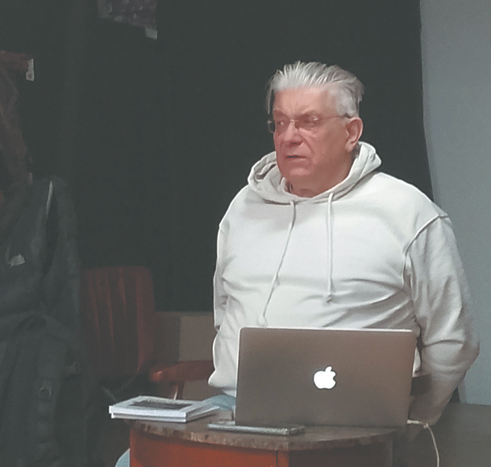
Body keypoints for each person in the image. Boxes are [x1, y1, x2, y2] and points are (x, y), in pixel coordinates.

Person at [116, 61, 479, 467]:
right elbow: (226, 312)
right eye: (280, 123)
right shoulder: (243, 208)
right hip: (236, 410)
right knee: (131, 462)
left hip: (351, 422)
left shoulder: (408, 213)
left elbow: (453, 342)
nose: (289, 136)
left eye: (309, 122)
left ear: (351, 132)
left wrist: (406, 426)